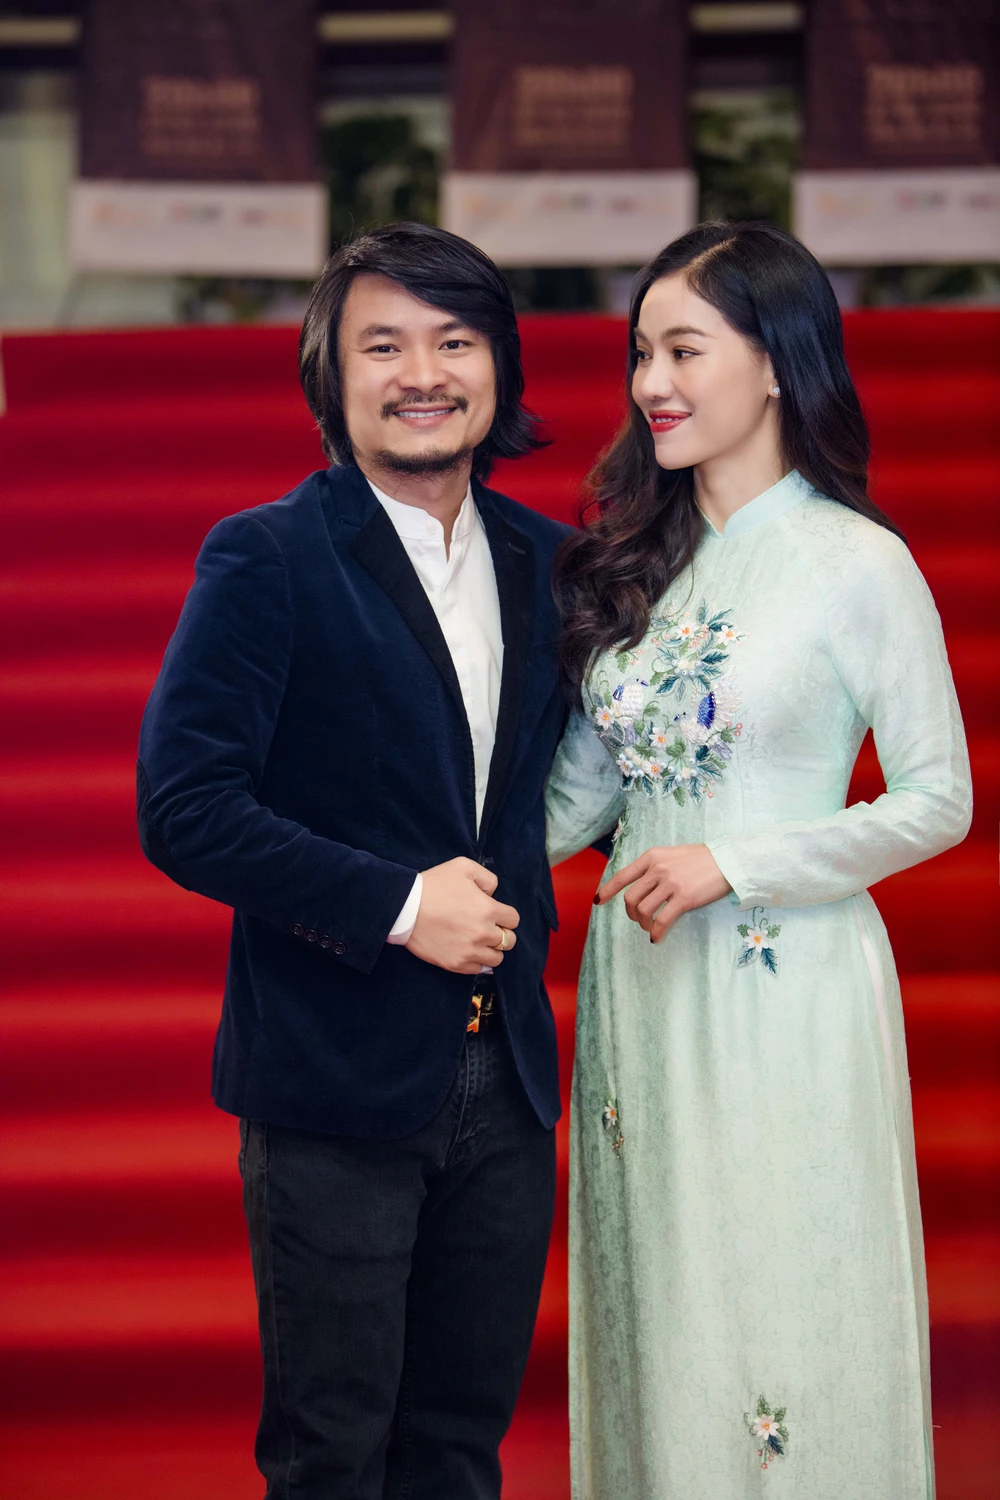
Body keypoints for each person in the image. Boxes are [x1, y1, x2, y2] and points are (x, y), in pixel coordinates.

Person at [137, 222, 571, 1500]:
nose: (421, 373)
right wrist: (395, 904)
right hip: (332, 1075)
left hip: (509, 1082)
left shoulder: (553, 561)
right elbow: (185, 806)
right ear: (330, 375)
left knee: (458, 1449)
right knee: (333, 1454)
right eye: (382, 346)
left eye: (454, 341)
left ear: (499, 366)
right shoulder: (267, 555)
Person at [545, 221, 972, 1497]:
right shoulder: (640, 567)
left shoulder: (857, 563)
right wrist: (405, 863)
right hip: (641, 986)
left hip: (785, 985)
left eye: (684, 350)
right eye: (640, 353)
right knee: (665, 1298)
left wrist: (735, 862)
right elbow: (576, 798)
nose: (651, 383)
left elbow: (937, 800)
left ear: (777, 362)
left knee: (782, 1289)